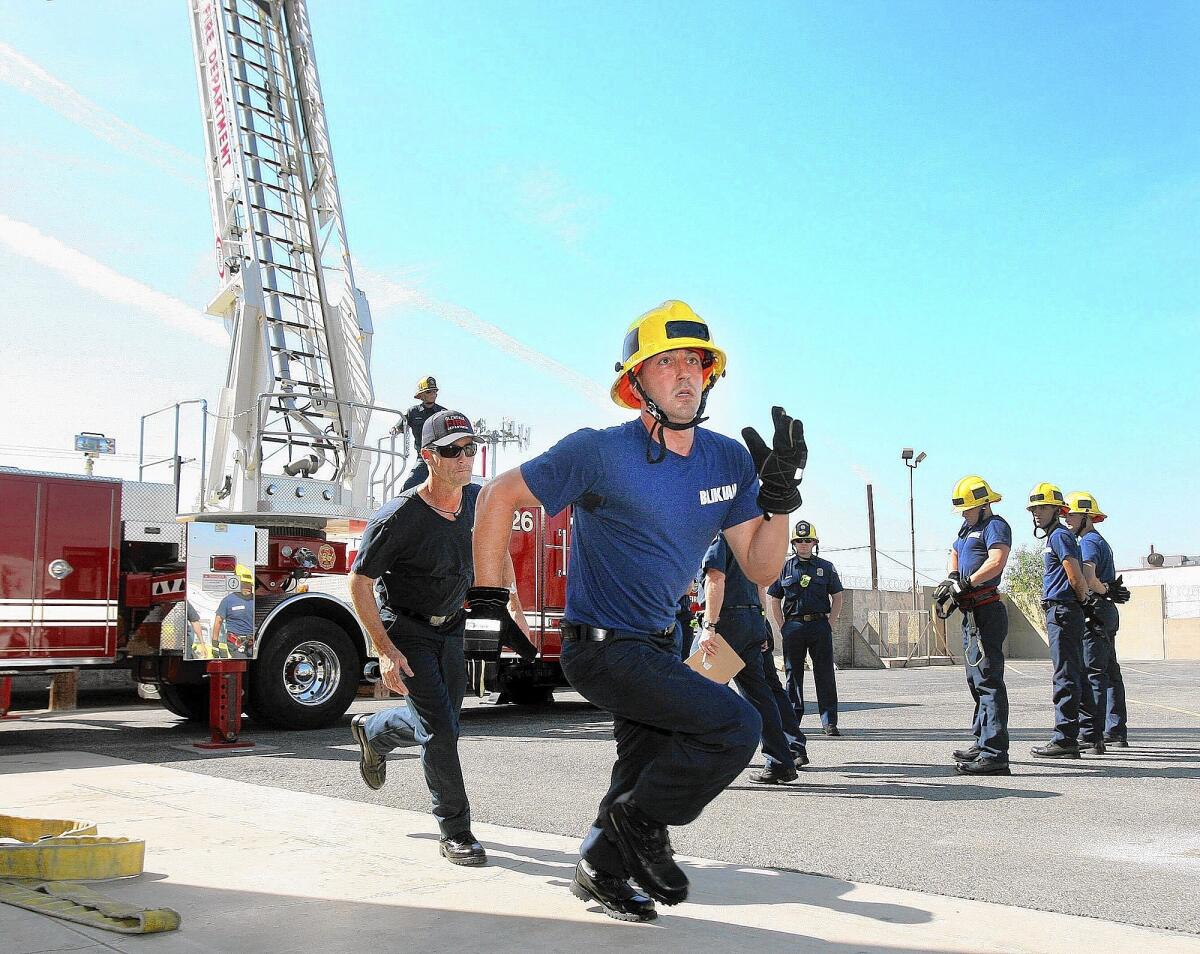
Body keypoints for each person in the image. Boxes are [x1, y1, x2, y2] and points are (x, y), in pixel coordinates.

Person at [469, 300, 804, 923]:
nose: (685, 374)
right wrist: (488, 608)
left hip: (659, 642)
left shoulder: (728, 459)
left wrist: (779, 500)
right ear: (636, 381)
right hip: (599, 647)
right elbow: (496, 495)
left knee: (643, 764)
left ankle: (601, 868)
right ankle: (640, 824)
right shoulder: (599, 453)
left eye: (696, 363)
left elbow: (760, 568)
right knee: (733, 726)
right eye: (667, 362)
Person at [347, 410, 530, 868]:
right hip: (406, 630)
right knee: (442, 732)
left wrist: (513, 609)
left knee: (445, 723)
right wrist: (385, 652)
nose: (465, 458)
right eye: (453, 451)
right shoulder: (399, 518)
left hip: (451, 625)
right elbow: (359, 583)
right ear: (428, 456)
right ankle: (456, 831)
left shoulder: (477, 500)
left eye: (471, 448)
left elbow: (498, 551)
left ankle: (375, 731)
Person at [700, 532, 800, 784]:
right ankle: (780, 762)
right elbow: (760, 585)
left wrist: (709, 626)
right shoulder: (748, 541)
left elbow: (716, 578)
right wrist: (761, 624)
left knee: (698, 694)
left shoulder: (718, 537)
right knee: (760, 696)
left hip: (726, 624)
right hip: (750, 621)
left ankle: (703, 767)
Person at [943, 476, 1013, 776]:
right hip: (970, 613)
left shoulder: (995, 526)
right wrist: (952, 578)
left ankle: (995, 754)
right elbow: (955, 552)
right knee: (976, 681)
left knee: (988, 682)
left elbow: (996, 561)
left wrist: (968, 582)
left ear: (984, 505)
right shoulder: (967, 528)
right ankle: (982, 741)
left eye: (968, 508)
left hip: (987, 610)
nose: (964, 513)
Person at [1027, 482, 1100, 759]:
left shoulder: (1059, 536)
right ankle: (1090, 735)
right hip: (1064, 609)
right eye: (1034, 508)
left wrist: (1082, 601)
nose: (1037, 512)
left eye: (1043, 507)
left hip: (1063, 610)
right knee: (1076, 672)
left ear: (1057, 510)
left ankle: (1065, 737)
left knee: (1065, 675)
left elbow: (1075, 574)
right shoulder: (1055, 536)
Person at [1064, 492, 1131, 749]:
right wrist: (1108, 592)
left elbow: (1088, 577)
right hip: (1106, 611)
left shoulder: (1088, 542)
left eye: (1072, 514)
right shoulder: (1098, 540)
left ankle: (1093, 734)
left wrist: (1102, 590)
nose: (1068, 518)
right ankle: (1115, 730)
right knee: (1110, 672)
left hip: (1095, 610)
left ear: (1087, 517)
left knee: (1093, 673)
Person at [767, 520, 844, 736]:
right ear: (793, 543)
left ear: (814, 543)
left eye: (807, 540)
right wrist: (782, 625)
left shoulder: (826, 567)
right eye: (799, 540)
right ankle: (793, 720)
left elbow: (837, 596)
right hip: (793, 626)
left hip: (819, 625)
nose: (803, 544)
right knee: (793, 675)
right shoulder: (784, 567)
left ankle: (829, 722)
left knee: (825, 674)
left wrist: (830, 623)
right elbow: (774, 598)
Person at [393, 376, 446, 493]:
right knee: (407, 488)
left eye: (435, 391)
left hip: (442, 458)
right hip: (424, 458)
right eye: (429, 391)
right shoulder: (413, 412)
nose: (433, 394)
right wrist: (395, 429)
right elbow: (400, 426)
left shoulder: (443, 413)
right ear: (421, 395)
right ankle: (403, 510)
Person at [213, 564, 256, 658]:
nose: (248, 587)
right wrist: (215, 644)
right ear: (238, 584)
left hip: (252, 644)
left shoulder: (255, 601)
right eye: (245, 584)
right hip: (236, 644)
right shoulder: (228, 601)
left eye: (250, 584)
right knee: (242, 664)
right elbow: (218, 621)